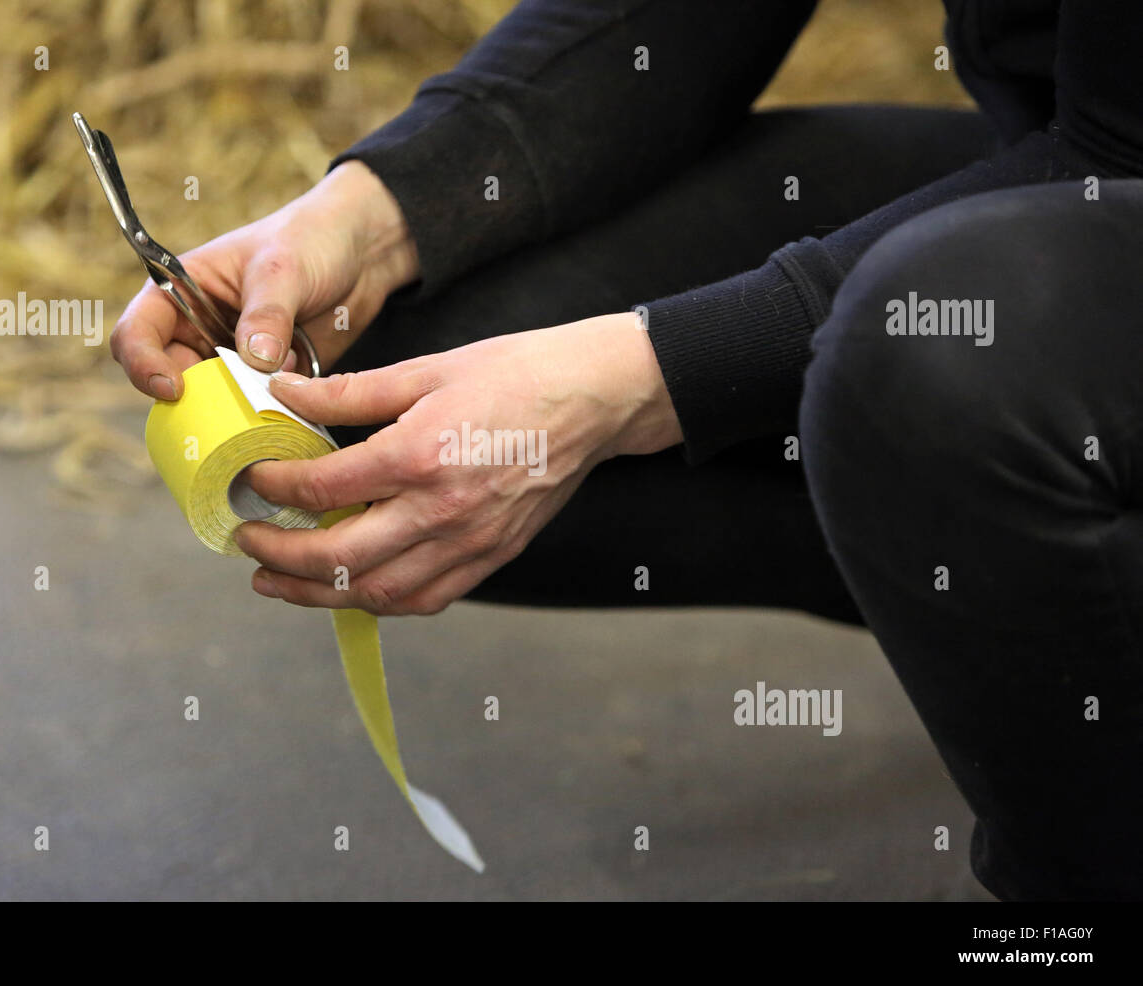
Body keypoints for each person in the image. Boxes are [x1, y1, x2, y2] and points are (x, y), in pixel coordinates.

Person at [111, 1, 1143, 900]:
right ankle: (1032, 627)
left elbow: (1119, 160)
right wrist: (378, 214)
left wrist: (634, 378)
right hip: (1051, 174)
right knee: (400, 368)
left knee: (932, 364)